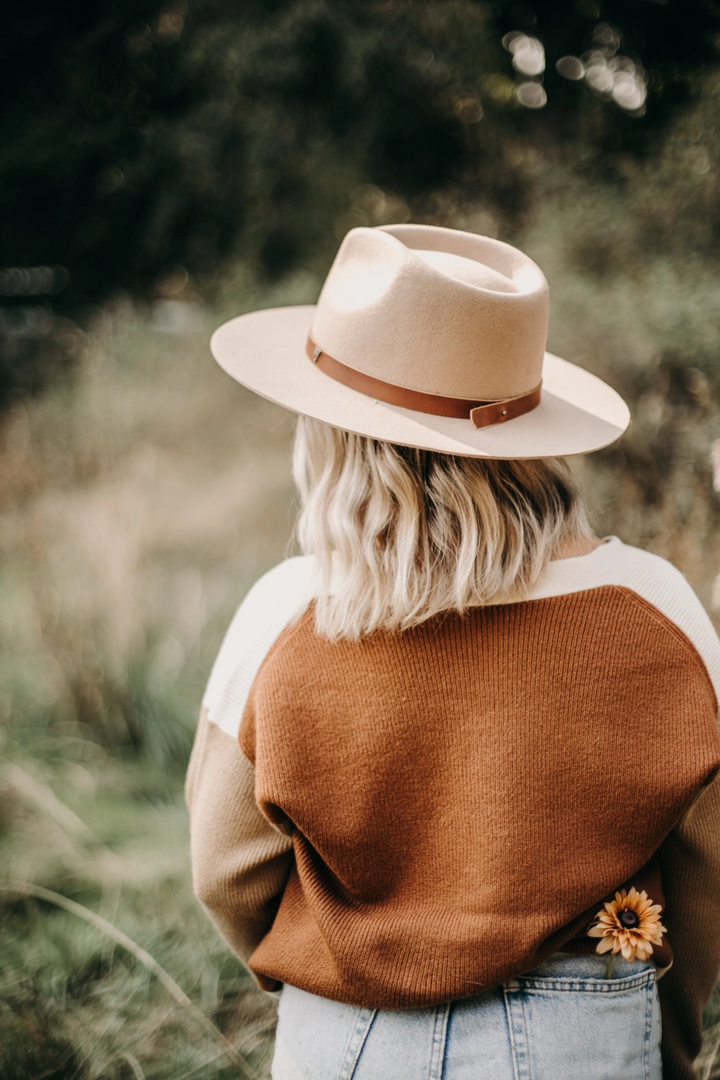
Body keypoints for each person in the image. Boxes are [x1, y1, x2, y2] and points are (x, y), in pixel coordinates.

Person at [186, 224, 720, 1080]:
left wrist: (330, 969)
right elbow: (705, 871)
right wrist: (674, 1036)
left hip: (344, 1036)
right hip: (584, 1033)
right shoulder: (658, 607)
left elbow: (226, 870)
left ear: (334, 437)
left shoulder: (283, 616)